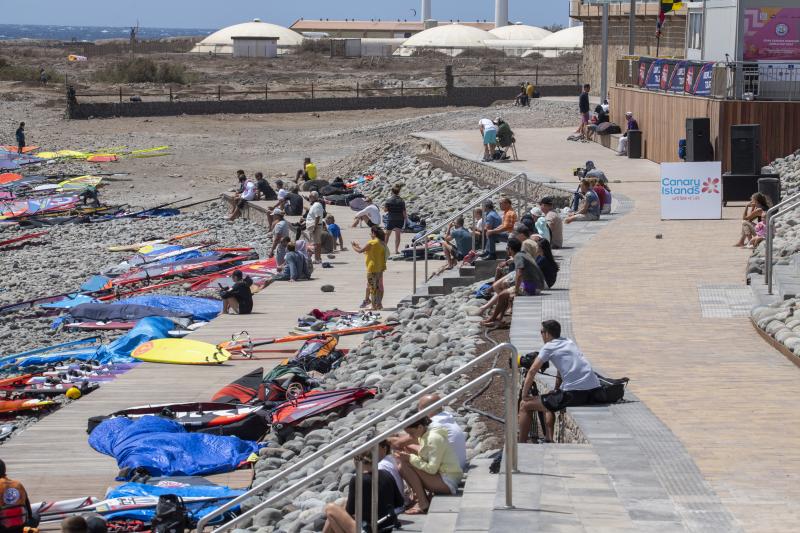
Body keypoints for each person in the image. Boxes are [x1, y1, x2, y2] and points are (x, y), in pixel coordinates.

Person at [518, 320, 602, 443]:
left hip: (575, 394)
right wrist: (557, 388)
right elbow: (561, 367)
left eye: (541, 332)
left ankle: (521, 444)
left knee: (525, 406)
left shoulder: (548, 347)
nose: (541, 335)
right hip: (594, 391)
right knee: (550, 399)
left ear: (547, 334)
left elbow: (532, 371)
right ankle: (549, 438)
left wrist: (524, 395)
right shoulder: (569, 342)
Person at [322, 452, 403, 533]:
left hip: (369, 529)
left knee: (330, 508)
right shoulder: (387, 474)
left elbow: (350, 511)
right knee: (342, 505)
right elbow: (399, 502)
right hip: (387, 527)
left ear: (356, 461)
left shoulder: (357, 479)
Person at [396, 417, 463, 514]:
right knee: (407, 451)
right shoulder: (427, 434)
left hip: (448, 482)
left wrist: (410, 458)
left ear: (419, 427)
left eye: (411, 433)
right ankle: (419, 496)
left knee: (404, 465)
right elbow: (426, 454)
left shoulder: (433, 438)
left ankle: (422, 502)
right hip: (445, 476)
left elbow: (432, 469)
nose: (410, 436)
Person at [481, 237, 545, 327]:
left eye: (507, 248)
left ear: (510, 249)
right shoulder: (523, 253)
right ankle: (499, 319)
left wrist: (516, 290)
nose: (506, 250)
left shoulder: (518, 256)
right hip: (536, 284)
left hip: (532, 287)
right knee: (503, 294)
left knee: (502, 295)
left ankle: (493, 319)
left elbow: (520, 273)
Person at [352, 225, 387, 311]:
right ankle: (379, 304)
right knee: (378, 287)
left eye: (371, 233)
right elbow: (368, 252)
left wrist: (353, 246)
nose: (370, 235)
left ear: (374, 233)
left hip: (372, 268)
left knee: (372, 287)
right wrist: (358, 246)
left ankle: (373, 306)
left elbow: (360, 251)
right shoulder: (382, 243)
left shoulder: (372, 242)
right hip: (380, 267)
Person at [0, 459, 33, 533]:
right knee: (36, 516)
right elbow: (29, 510)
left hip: (3, 528)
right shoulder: (18, 484)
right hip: (21, 526)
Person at [384, 184, 406, 255]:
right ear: (398, 192)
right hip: (400, 219)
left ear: (392, 192)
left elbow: (385, 210)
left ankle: (384, 249)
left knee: (387, 235)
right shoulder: (401, 201)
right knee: (398, 235)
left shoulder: (389, 200)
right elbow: (404, 213)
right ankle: (396, 250)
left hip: (391, 219)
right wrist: (405, 219)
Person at [305, 191, 325, 264]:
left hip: (315, 226)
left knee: (316, 243)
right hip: (315, 225)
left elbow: (317, 217)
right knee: (317, 243)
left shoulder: (316, 205)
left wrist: (314, 227)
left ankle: (317, 259)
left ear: (314, 197)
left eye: (310, 196)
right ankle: (318, 258)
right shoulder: (316, 204)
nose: (309, 198)